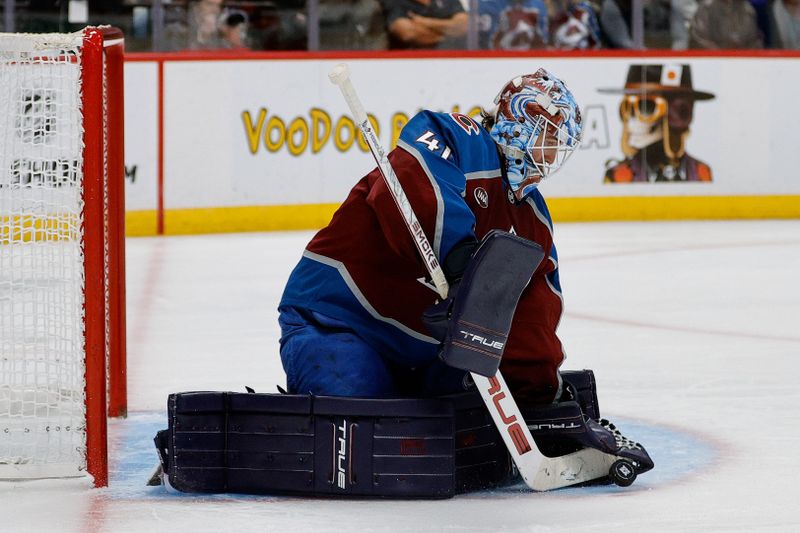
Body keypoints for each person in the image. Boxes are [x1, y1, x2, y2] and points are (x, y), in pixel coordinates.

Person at [279, 69, 582, 405]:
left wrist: (540, 394)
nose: (552, 155)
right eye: (547, 138)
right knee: (362, 422)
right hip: (341, 319)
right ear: (519, 121)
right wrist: (461, 259)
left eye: (557, 145)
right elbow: (412, 180)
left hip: (428, 354)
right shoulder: (458, 137)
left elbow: (532, 314)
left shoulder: (533, 219)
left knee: (471, 431)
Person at [601, 64, 715, 183]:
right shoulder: (618, 176)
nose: (631, 122)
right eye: (626, 107)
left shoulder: (701, 173)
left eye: (646, 107)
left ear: (678, 115)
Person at [379, 0, 469, 49]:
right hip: (411, 64)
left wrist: (426, 22)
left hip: (452, 62)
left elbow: (464, 25)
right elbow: (408, 33)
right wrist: (450, 36)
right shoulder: (394, 1)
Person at [688, 0, 764, 48]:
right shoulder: (706, 8)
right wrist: (722, 55)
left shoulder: (747, 10)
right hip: (712, 63)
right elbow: (698, 39)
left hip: (743, 63)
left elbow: (754, 40)